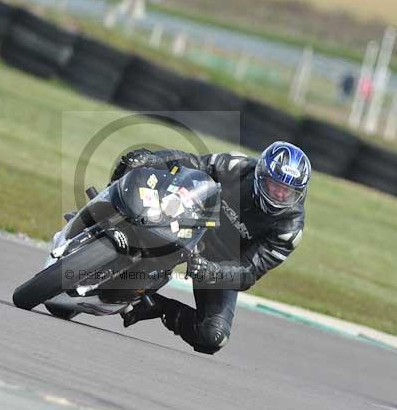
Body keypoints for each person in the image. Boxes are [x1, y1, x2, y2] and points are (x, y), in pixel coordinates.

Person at [111, 141, 310, 354]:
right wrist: (154, 158)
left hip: (220, 262)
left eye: (288, 191)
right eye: (275, 185)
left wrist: (212, 271)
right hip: (192, 220)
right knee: (143, 187)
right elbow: (195, 163)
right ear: (261, 176)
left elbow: (249, 272)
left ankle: (155, 305)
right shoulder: (239, 167)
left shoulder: (289, 230)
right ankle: (107, 217)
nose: (279, 195)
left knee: (213, 336)